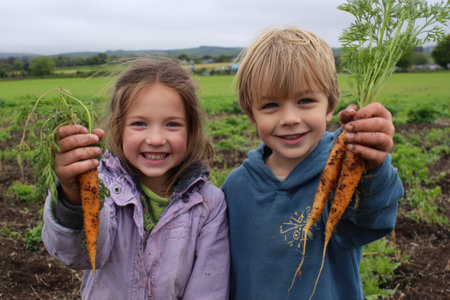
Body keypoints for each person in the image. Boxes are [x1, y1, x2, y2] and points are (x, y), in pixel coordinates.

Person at [221, 26, 404, 300]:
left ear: (330, 105)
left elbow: (372, 221)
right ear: (251, 114)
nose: (290, 118)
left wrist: (374, 168)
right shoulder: (235, 188)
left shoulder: (345, 171)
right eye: (271, 105)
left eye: (305, 101)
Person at [41, 59, 230, 299]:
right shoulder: (103, 189)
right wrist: (72, 194)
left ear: (191, 131)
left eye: (172, 124)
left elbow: (208, 290)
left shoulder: (209, 204)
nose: (155, 139)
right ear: (119, 128)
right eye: (139, 124)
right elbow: (77, 255)